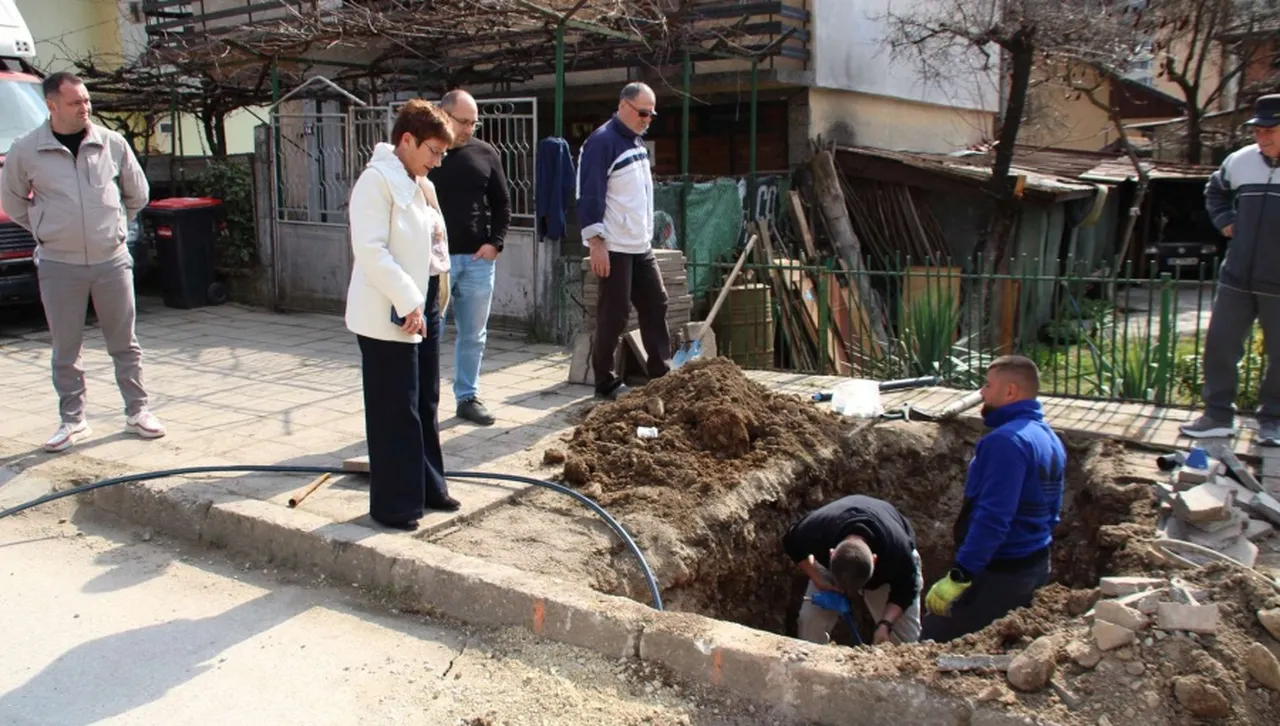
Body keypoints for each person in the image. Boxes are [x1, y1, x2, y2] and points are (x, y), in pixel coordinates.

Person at [0, 71, 164, 452]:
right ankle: (73, 420)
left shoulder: (111, 143)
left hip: (111, 261)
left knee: (125, 343)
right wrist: (47, 229)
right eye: (75, 102)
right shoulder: (26, 150)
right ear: (52, 105)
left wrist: (114, 228)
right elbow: (12, 202)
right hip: (59, 265)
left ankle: (138, 411)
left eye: (86, 100)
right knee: (66, 348)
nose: (84, 108)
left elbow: (137, 194)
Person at [344, 99, 460, 531]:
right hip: (389, 307)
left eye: (443, 153)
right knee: (395, 408)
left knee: (425, 400)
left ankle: (428, 486)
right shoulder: (376, 182)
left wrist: (431, 298)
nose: (438, 161)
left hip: (423, 303)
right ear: (407, 140)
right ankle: (394, 504)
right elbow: (371, 250)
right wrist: (408, 300)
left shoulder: (420, 182)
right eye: (434, 151)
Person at [921, 355, 1066, 643]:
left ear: (1010, 391)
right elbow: (1053, 511)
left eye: (988, 385)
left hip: (999, 573)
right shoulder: (1048, 437)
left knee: (935, 643)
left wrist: (961, 574)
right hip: (1035, 564)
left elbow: (993, 517)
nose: (982, 393)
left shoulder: (1006, 443)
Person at [1180, 93, 1280, 445]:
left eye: (1270, 130)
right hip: (1237, 276)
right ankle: (1218, 415)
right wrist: (1225, 221)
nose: (1261, 137)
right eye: (1257, 130)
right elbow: (1215, 190)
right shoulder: (1240, 161)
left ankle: (1273, 421)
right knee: (1220, 345)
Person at [577, 82, 670, 400]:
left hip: (640, 245)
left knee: (656, 303)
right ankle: (605, 382)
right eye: (643, 113)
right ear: (623, 106)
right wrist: (596, 242)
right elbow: (589, 193)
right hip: (614, 245)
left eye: (651, 115)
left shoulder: (636, 142)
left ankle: (661, 375)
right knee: (614, 315)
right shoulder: (601, 142)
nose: (647, 120)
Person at [428, 89, 511, 426]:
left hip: (477, 260)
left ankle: (467, 396)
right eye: (463, 121)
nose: (468, 129)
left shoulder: (485, 153)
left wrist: (495, 244)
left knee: (474, 334)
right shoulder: (427, 154)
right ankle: (425, 402)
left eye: (473, 123)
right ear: (443, 115)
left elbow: (502, 203)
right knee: (429, 333)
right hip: (435, 263)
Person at [782, 494, 924, 645]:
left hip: (886, 572)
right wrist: (818, 579)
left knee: (903, 641)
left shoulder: (898, 552)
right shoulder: (817, 528)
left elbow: (906, 589)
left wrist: (886, 624)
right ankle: (811, 656)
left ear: (874, 560)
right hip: (838, 565)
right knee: (811, 620)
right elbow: (791, 541)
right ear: (831, 553)